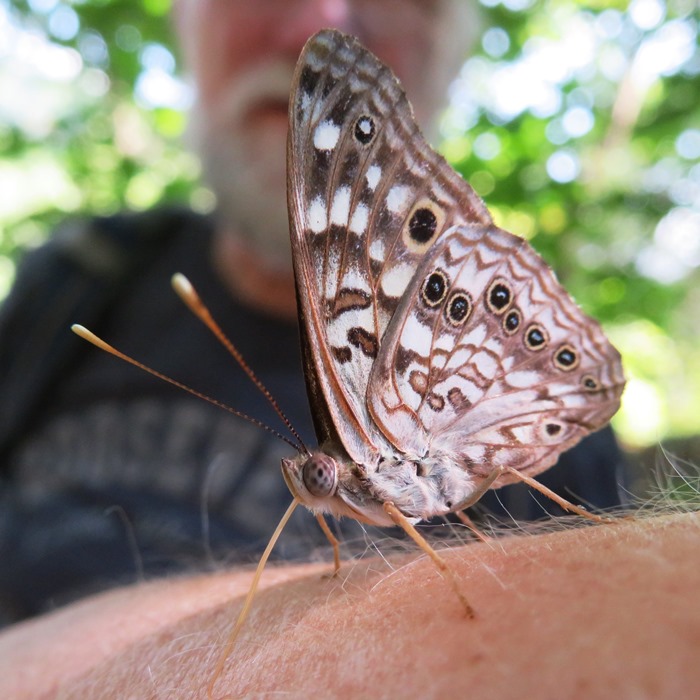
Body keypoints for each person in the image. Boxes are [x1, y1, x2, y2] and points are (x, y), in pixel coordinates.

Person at [0, 0, 626, 628]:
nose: (314, 21)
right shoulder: (75, 283)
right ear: (185, 22)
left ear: (451, 54)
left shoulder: (577, 467)